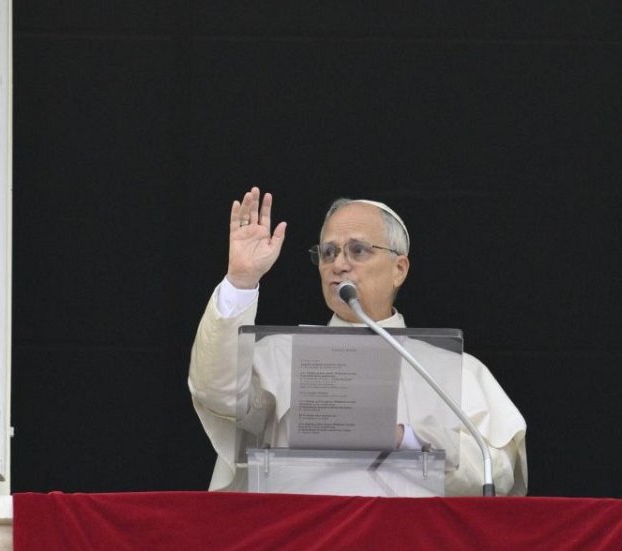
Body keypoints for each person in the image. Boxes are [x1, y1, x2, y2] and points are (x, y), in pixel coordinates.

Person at [189, 186, 528, 495]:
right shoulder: (278, 355)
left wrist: (406, 440)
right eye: (328, 252)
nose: (338, 264)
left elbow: (496, 472)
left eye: (358, 250)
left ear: (399, 269)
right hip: (305, 539)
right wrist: (241, 281)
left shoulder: (456, 370)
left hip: (410, 540)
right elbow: (216, 393)